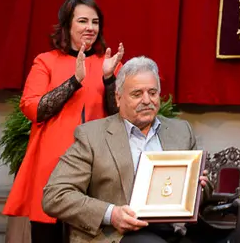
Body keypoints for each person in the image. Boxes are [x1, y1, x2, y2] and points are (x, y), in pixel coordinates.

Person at [42, 56, 212, 243]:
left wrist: (198, 188)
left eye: (153, 93)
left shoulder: (181, 131)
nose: (147, 100)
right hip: (118, 234)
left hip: (176, 231)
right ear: (118, 98)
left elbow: (203, 194)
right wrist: (111, 213)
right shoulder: (92, 136)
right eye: (137, 94)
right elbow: (55, 195)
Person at [3, 0, 124, 243]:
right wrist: (73, 82)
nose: (90, 28)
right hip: (50, 166)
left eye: (95, 22)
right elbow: (34, 109)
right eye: (83, 21)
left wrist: (110, 78)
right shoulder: (45, 61)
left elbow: (118, 116)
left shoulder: (107, 63)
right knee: (46, 235)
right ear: (67, 25)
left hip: (95, 167)